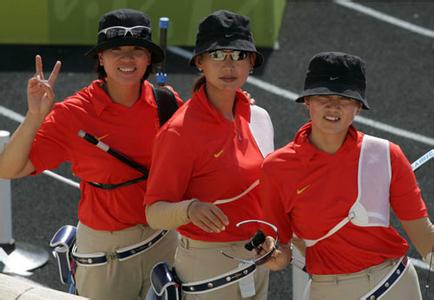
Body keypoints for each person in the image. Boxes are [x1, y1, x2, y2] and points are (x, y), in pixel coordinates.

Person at [0, 8, 183, 300]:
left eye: (137, 50)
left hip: (164, 242)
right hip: (106, 258)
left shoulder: (168, 102)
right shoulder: (74, 114)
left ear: (149, 58)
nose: (126, 59)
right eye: (115, 51)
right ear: (101, 58)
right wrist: (34, 116)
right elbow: (9, 169)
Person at [259, 52, 432, 299]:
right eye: (322, 96)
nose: (333, 105)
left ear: (358, 107)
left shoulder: (386, 155)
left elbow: (425, 239)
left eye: (344, 98)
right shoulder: (277, 168)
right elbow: (281, 250)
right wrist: (272, 257)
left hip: (395, 285)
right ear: (307, 102)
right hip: (328, 290)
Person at [144, 10, 272, 300]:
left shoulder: (260, 117)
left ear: (251, 62)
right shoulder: (179, 131)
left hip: (259, 261)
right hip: (207, 272)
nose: (229, 64)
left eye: (239, 54)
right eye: (217, 54)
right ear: (200, 62)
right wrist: (190, 209)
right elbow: (154, 213)